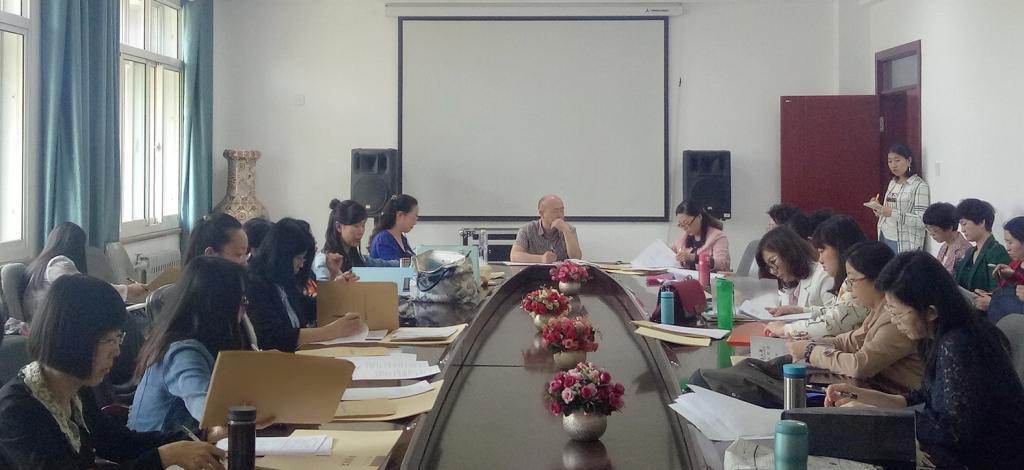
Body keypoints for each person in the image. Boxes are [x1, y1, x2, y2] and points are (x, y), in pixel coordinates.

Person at [0, 274, 224, 469]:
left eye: (118, 338)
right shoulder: (15, 411)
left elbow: (115, 442)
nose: (117, 351)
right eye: (109, 340)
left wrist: (198, 437)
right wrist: (161, 458)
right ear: (75, 339)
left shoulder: (74, 387)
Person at [826, 252, 1024, 469]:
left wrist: (875, 415)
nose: (894, 320)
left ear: (930, 312)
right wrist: (859, 396)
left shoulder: (958, 344)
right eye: (889, 309)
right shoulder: (938, 336)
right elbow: (918, 397)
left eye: (898, 313)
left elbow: (953, 434)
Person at [128, 257, 254, 436]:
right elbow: (206, 411)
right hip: (160, 447)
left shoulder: (201, 340)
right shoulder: (182, 352)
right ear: (220, 303)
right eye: (241, 299)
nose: (245, 306)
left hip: (186, 442)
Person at [787, 242, 923, 394]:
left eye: (852, 280)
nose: (849, 288)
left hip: (900, 398)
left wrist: (810, 351)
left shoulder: (895, 318)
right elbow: (848, 341)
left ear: (878, 279)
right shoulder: (877, 311)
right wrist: (810, 344)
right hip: (878, 389)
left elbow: (859, 366)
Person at [246, 218, 365, 352]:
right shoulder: (254, 284)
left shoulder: (283, 282)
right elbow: (275, 338)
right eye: (298, 258)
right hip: (279, 361)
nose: (302, 264)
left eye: (303, 259)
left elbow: (308, 307)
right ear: (283, 255)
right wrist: (334, 330)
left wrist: (337, 289)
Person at [15, 222, 147, 330]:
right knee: (124, 321)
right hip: (55, 329)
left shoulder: (37, 266)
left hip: (43, 328)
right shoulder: (58, 263)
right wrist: (128, 290)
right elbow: (84, 288)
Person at [765, 215, 869, 338]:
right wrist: (800, 311)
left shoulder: (859, 281)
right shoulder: (850, 280)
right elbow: (835, 311)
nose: (820, 260)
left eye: (821, 251)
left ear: (840, 248)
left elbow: (833, 324)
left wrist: (784, 329)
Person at [755, 226, 836, 313]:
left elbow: (836, 316)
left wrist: (801, 311)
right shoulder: (787, 287)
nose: (773, 271)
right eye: (769, 267)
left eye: (773, 261)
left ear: (789, 252)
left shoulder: (823, 276)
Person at [313, 199, 398, 281]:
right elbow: (321, 289)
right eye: (356, 226)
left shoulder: (359, 258)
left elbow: (386, 264)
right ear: (339, 227)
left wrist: (403, 263)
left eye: (363, 225)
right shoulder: (323, 261)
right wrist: (335, 280)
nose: (361, 231)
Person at [869, 143, 929, 253]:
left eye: (897, 160)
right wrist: (878, 208)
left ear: (909, 161)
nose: (893, 165)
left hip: (903, 241)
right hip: (884, 234)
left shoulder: (919, 186)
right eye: (890, 161)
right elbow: (887, 212)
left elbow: (922, 221)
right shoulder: (893, 183)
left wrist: (892, 212)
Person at [953, 198, 1011, 304]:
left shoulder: (997, 251)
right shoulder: (970, 252)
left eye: (964, 224)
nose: (962, 230)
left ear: (981, 222)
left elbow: (1001, 290)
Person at [511, 195, 583, 263]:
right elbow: (514, 256)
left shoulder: (569, 229)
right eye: (555, 211)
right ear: (541, 213)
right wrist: (541, 259)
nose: (560, 215)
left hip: (561, 271)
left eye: (562, 210)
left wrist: (566, 231)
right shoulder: (527, 229)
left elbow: (576, 258)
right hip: (534, 271)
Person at [670, 200, 730, 272]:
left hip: (709, 278)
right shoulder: (683, 236)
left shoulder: (717, 236)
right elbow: (669, 251)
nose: (684, 228)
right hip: (686, 277)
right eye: (681, 225)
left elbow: (722, 264)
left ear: (699, 217)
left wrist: (694, 258)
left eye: (687, 223)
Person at [923, 202, 972, 275]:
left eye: (934, 229)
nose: (931, 233)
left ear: (949, 227)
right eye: (928, 229)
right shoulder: (944, 246)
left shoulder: (965, 250)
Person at [369, 195, 419, 261]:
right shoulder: (384, 239)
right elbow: (392, 266)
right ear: (400, 215)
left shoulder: (402, 238)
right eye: (414, 216)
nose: (415, 222)